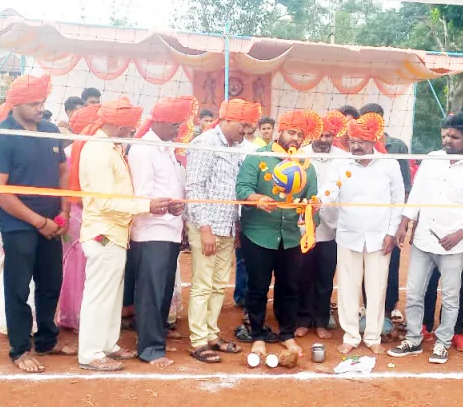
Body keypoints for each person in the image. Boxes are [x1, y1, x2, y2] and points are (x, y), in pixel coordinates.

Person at [0, 75, 76, 373]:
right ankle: (20, 348)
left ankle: (47, 339)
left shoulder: (49, 130)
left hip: (53, 222)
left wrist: (63, 212)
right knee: (18, 287)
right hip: (19, 226)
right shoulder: (0, 137)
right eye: (35, 103)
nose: (41, 108)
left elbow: (63, 173)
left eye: (43, 102)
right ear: (17, 104)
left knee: (51, 283)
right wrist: (38, 221)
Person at [70, 97, 171, 372]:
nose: (133, 129)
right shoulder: (98, 151)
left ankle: (107, 345)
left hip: (116, 232)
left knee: (112, 293)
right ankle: (90, 353)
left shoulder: (110, 147)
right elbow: (104, 202)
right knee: (99, 294)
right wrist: (145, 205)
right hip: (103, 233)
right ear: (117, 124)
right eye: (130, 125)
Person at [388, 113, 463, 364]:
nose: (447, 140)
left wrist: (458, 235)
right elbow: (417, 195)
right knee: (413, 293)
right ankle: (412, 339)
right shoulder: (431, 160)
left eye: (454, 137)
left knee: (451, 297)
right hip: (424, 241)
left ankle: (443, 343)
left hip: (455, 246)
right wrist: (404, 223)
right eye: (444, 135)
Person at [236, 109, 320, 358]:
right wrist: (256, 198)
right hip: (258, 233)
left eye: (299, 134)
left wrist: (312, 210)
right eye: (291, 132)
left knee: (290, 287)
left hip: (292, 236)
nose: (295, 138)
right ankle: (258, 335)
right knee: (257, 287)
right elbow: (242, 188)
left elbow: (311, 199)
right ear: (279, 131)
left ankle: (287, 334)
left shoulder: (306, 166)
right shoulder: (257, 157)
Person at [319, 113, 404, 354]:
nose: (355, 146)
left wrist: (391, 232)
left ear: (374, 141)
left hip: (380, 238)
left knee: (377, 287)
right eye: (352, 141)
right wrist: (317, 202)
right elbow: (329, 191)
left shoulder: (390, 165)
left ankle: (373, 336)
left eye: (361, 142)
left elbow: (398, 200)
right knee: (347, 286)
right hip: (348, 235)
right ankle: (351, 335)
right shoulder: (340, 164)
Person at [184, 98, 259, 363]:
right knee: (203, 285)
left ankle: (212, 333)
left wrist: (237, 225)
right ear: (226, 120)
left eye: (250, 127)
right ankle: (197, 341)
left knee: (218, 286)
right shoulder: (204, 144)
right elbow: (194, 187)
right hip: (207, 225)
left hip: (228, 226)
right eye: (243, 125)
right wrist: (205, 229)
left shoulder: (241, 147)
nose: (246, 131)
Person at [127, 96, 195, 368]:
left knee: (163, 291)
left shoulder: (167, 147)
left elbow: (167, 189)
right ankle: (150, 348)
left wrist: (175, 206)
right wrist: (162, 206)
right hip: (151, 231)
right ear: (160, 122)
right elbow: (143, 195)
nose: (179, 129)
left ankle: (157, 339)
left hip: (168, 230)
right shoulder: (143, 150)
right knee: (151, 292)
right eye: (175, 124)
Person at [358, 103, 412, 337]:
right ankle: (368, 308)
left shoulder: (397, 146)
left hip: (389, 218)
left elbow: (405, 187)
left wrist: (402, 222)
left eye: (373, 120)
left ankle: (389, 310)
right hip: (364, 220)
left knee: (390, 263)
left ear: (381, 121)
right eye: (365, 120)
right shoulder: (357, 146)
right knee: (364, 263)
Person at [295, 111, 349, 339]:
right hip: (302, 226)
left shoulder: (344, 157)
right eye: (321, 135)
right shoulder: (299, 155)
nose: (324, 140)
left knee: (325, 277)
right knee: (303, 275)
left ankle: (321, 321)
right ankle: (302, 320)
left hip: (334, 226)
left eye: (329, 135)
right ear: (312, 134)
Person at [56, 103, 99, 331]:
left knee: (75, 264)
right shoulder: (81, 152)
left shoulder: (73, 151)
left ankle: (74, 313)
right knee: (79, 264)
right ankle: (75, 315)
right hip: (80, 216)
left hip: (76, 215)